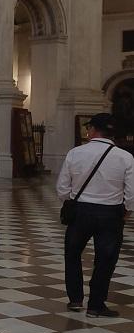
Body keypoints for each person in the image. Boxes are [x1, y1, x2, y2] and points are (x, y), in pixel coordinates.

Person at [57, 112, 134, 317]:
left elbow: (62, 189)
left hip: (81, 212)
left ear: (92, 130)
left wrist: (69, 201)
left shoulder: (75, 153)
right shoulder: (125, 157)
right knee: (105, 259)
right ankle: (95, 305)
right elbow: (131, 192)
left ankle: (75, 299)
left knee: (72, 254)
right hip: (111, 214)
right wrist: (127, 210)